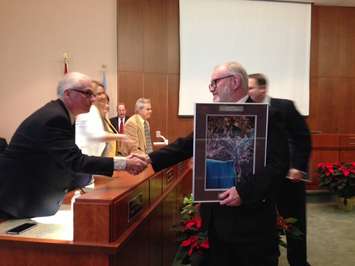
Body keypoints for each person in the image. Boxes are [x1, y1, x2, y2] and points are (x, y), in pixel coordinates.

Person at [146, 61, 290, 266]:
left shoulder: (267, 117)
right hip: (217, 222)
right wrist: (148, 159)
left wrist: (244, 191)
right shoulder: (213, 115)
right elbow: (186, 145)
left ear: (234, 82)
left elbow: (279, 165)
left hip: (252, 225)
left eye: (214, 82)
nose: (210, 88)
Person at [0, 72, 147, 219]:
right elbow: (75, 161)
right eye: (88, 94)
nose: (94, 99)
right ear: (68, 94)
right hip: (15, 202)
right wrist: (125, 163)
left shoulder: (64, 115)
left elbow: (67, 160)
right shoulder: (55, 118)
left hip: (30, 199)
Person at [248, 73, 312, 266]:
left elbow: (302, 138)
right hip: (261, 178)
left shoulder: (285, 107)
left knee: (294, 223)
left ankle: (298, 261)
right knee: (262, 223)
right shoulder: (245, 108)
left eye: (250, 87)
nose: (247, 92)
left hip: (289, 177)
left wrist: (298, 167)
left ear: (263, 89)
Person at [75, 81, 123, 157]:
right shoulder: (87, 112)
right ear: (90, 96)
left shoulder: (96, 112)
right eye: (99, 94)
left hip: (95, 158)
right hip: (85, 158)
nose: (103, 96)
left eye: (103, 93)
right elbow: (96, 135)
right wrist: (123, 137)